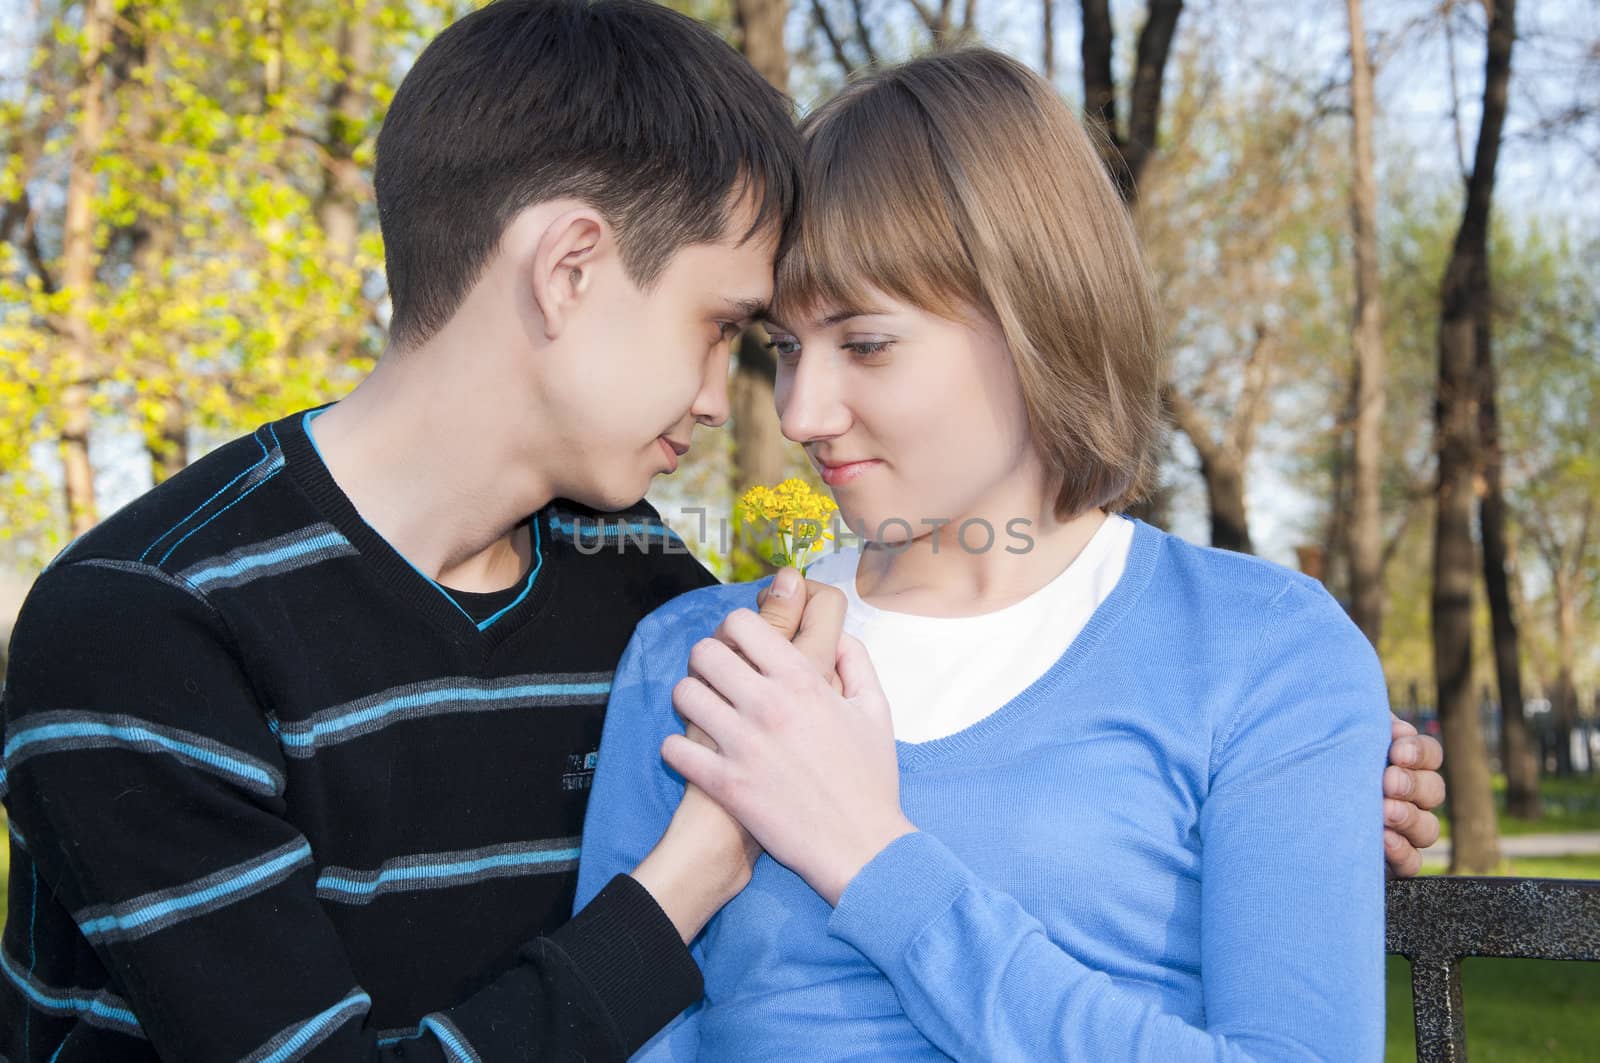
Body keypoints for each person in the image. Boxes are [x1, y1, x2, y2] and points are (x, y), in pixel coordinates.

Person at [578, 48, 1434, 1060]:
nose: (802, 413)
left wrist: (870, 854)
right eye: (786, 348)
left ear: (1035, 315)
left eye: (864, 343)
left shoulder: (1260, 654)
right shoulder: (696, 659)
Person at [0, 2, 809, 1059]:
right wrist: (687, 879)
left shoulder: (647, 591)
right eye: (720, 328)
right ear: (569, 268)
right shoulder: (145, 624)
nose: (721, 396)